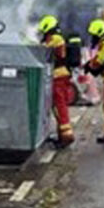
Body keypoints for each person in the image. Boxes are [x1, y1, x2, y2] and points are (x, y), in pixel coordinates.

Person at [38, 15, 75, 149]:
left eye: (44, 32)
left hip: (58, 75)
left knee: (59, 106)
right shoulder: (57, 38)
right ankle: (62, 135)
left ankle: (66, 136)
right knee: (59, 106)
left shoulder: (56, 39)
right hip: (60, 75)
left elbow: (45, 52)